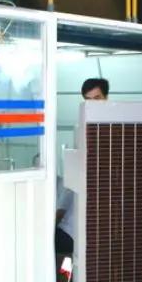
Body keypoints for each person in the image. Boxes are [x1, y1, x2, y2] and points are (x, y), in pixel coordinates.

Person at [55, 78, 109, 254]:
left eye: (97, 98)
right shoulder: (81, 132)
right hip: (76, 225)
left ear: (106, 98)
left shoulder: (118, 130)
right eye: (88, 100)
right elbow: (71, 183)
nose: (92, 104)